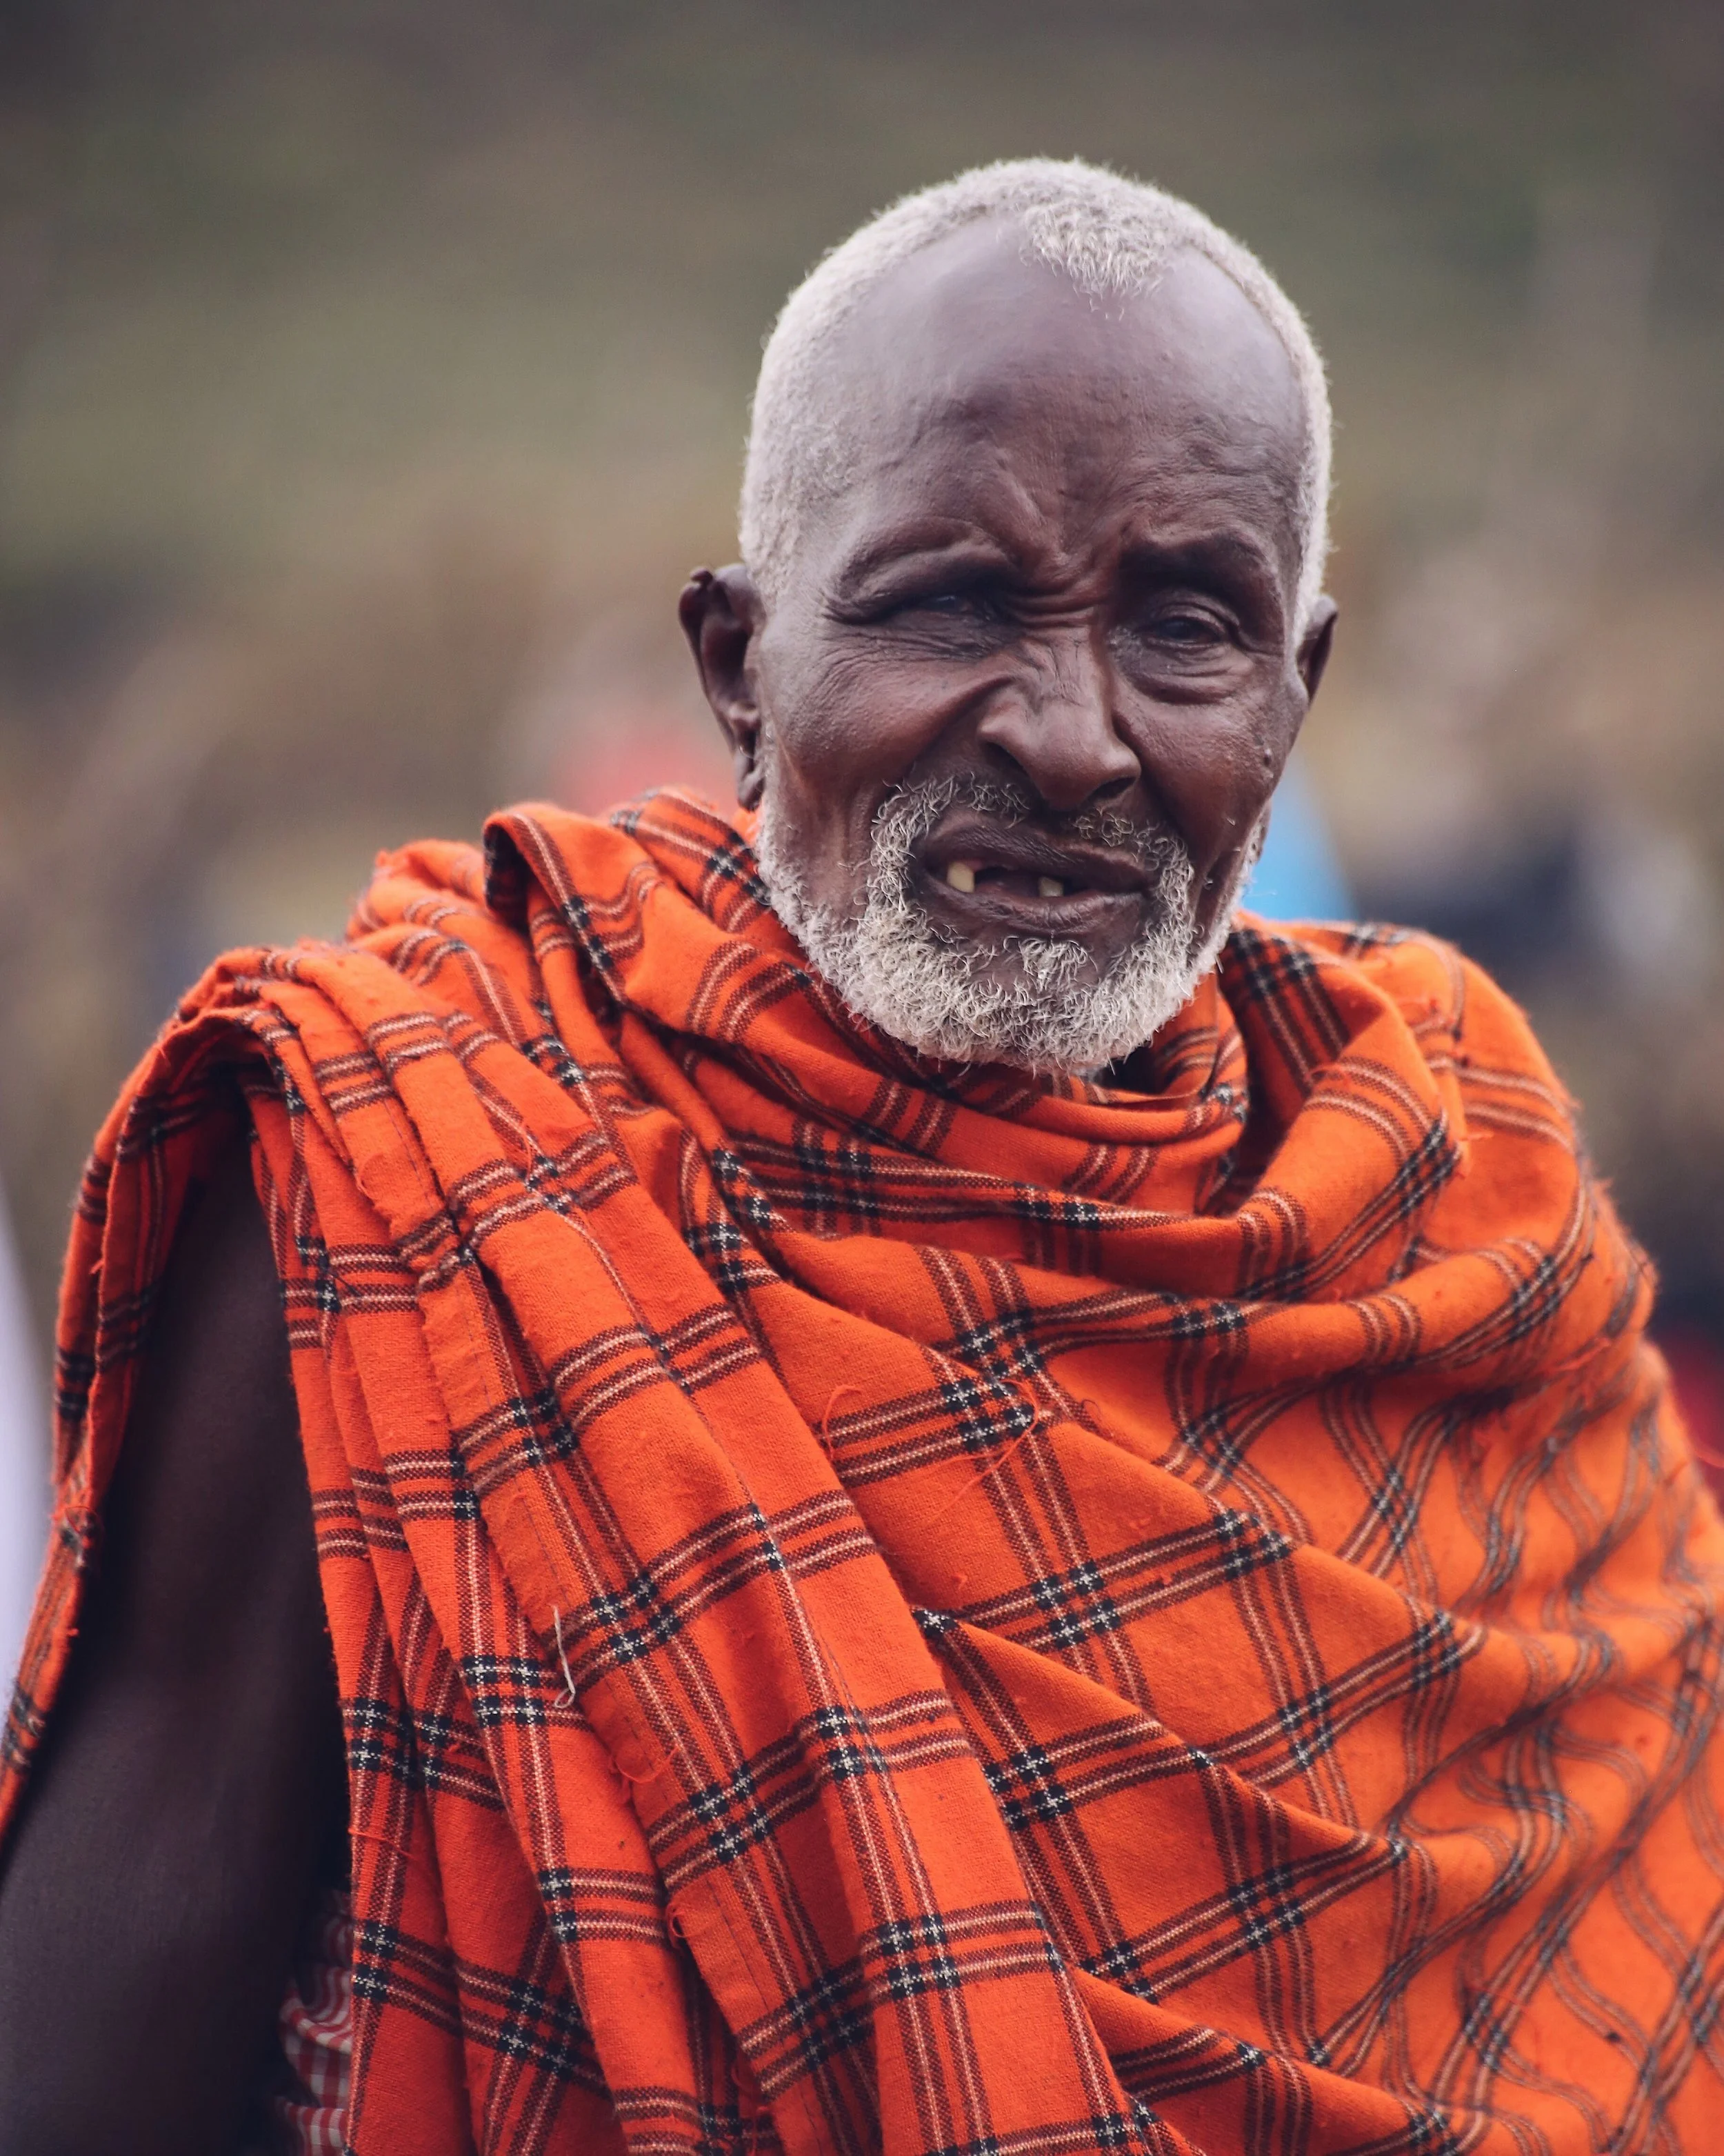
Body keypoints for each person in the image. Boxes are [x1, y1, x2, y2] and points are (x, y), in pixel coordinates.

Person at [1, 159, 1720, 2156]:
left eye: (1186, 627)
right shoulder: (418, 1160)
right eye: (952, 602)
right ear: (736, 664)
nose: (1075, 734)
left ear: (1292, 696)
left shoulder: (1451, 1191)